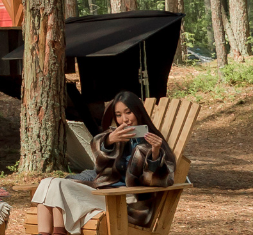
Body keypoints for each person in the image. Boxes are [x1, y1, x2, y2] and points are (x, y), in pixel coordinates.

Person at [31, 91, 175, 233]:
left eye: (128, 112)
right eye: (118, 115)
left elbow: (161, 181)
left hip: (128, 203)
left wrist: (155, 154)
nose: (124, 119)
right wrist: (109, 140)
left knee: (58, 186)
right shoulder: (115, 138)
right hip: (103, 194)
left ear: (138, 112)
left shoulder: (154, 143)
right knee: (49, 182)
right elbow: (98, 158)